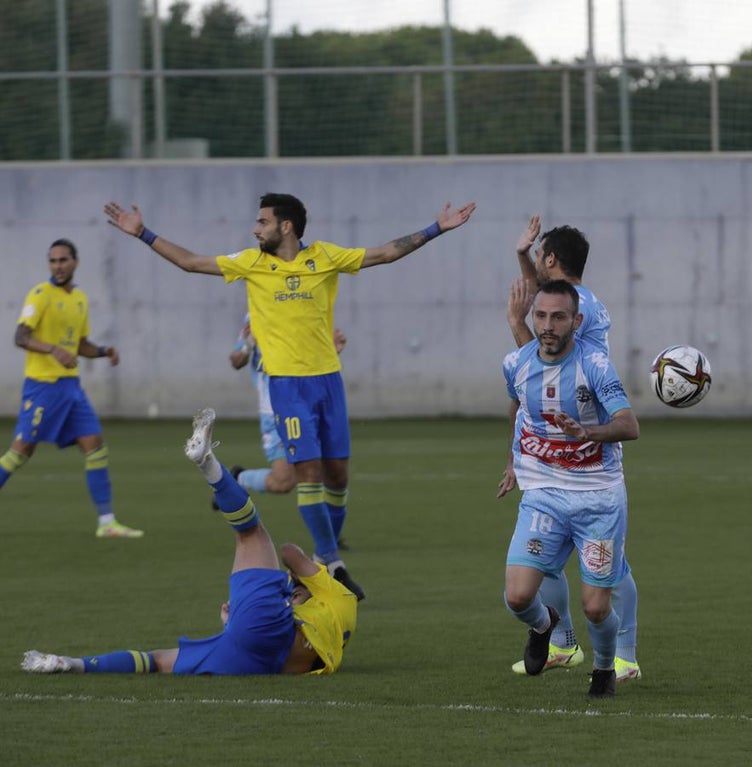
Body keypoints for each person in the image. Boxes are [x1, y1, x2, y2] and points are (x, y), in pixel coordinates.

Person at [104, 193, 477, 601]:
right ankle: (333, 565)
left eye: (262, 221)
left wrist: (437, 228)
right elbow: (191, 262)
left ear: (286, 226)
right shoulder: (251, 263)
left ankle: (322, 559)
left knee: (338, 476)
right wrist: (142, 233)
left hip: (328, 382)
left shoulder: (325, 257)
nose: (254, 228)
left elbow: (385, 253)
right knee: (308, 475)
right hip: (287, 387)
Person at [22, 408, 358, 675]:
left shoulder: (341, 597)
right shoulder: (334, 628)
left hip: (270, 635)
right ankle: (69, 664)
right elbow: (282, 641)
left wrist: (298, 579)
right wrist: (239, 619)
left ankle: (207, 462)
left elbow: (290, 553)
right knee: (157, 661)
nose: (296, 594)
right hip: (252, 659)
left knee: (252, 533)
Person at [504, 216, 642, 683]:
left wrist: (515, 322)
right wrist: (523, 257)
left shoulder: (584, 314)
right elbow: (537, 355)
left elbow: (550, 364)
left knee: (608, 572)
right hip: (547, 454)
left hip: (586, 453)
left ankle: (622, 655)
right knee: (542, 562)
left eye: (539, 259)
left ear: (552, 261)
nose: (544, 319)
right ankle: (562, 644)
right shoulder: (568, 302)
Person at [0, 239, 143, 538]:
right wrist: (53, 350)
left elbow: (79, 345)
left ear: (75, 262)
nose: (58, 266)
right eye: (52, 261)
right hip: (42, 388)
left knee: (95, 447)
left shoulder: (79, 298)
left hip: (71, 389)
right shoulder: (40, 295)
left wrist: (104, 351)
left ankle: (107, 523)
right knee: (20, 452)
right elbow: (20, 336)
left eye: (63, 260)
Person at [221, 317, 351, 551]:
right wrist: (249, 342)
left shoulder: (304, 307)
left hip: (310, 403)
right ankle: (238, 478)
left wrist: (331, 351)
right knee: (284, 482)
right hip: (274, 410)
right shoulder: (258, 314)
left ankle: (330, 539)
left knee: (330, 472)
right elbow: (236, 360)